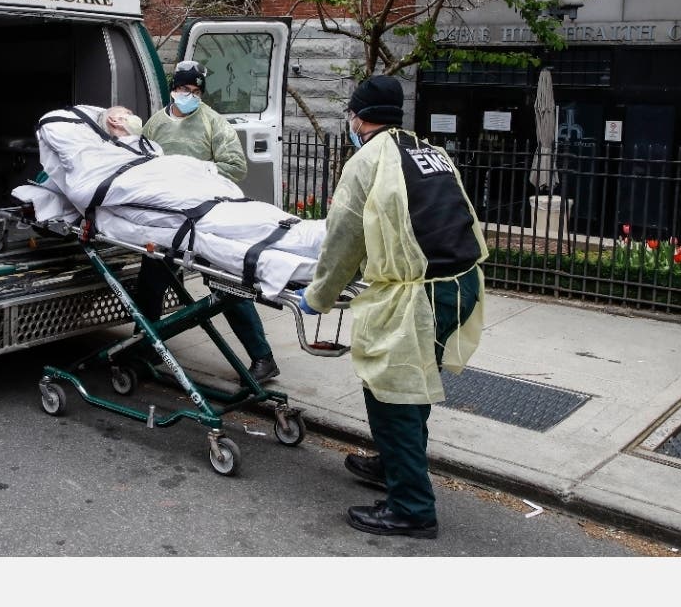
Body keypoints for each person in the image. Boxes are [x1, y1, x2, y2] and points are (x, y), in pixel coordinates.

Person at [297, 73, 487, 539]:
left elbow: (343, 238)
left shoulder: (367, 162)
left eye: (350, 115)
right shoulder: (431, 153)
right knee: (414, 386)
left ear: (358, 118)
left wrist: (318, 296)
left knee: (392, 397)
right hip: (461, 285)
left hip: (416, 295)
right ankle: (391, 464)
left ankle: (412, 508)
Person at [138, 60, 280, 383]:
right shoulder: (155, 125)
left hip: (204, 216)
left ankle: (262, 357)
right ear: (174, 90)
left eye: (197, 91)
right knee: (151, 281)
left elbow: (235, 165)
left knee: (225, 282)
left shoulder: (213, 124)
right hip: (166, 219)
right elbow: (143, 166)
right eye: (185, 89)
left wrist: (197, 175)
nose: (191, 95)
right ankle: (143, 345)